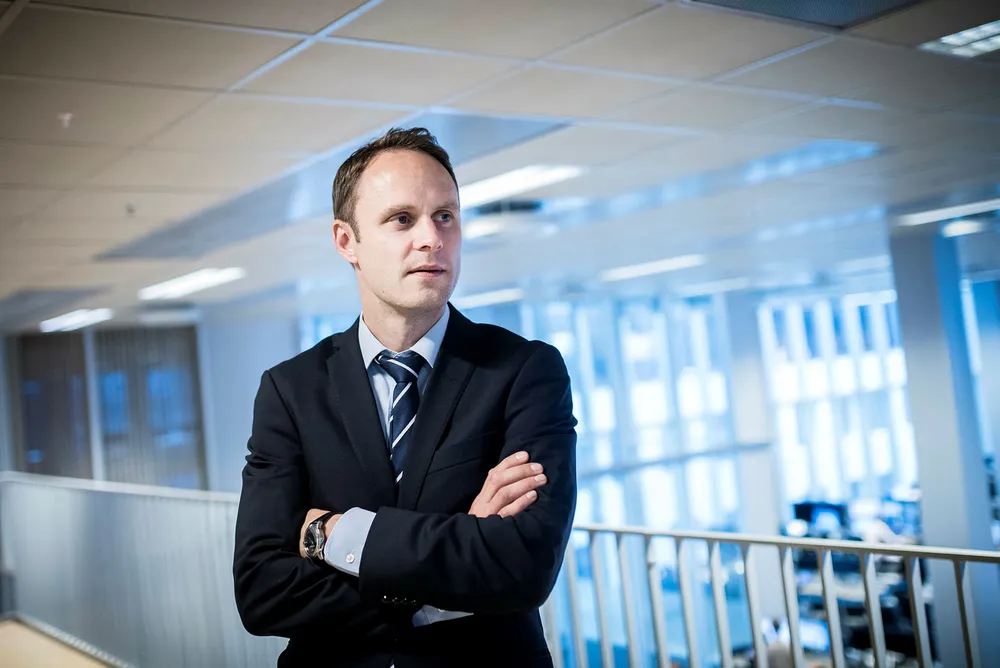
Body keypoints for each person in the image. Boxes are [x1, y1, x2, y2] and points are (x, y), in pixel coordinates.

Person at [233, 127, 578, 667]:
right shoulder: (290, 391)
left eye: (445, 216)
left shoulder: (524, 371)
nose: (432, 238)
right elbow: (263, 592)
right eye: (401, 219)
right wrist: (459, 556)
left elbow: (523, 567)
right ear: (346, 241)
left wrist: (335, 534)